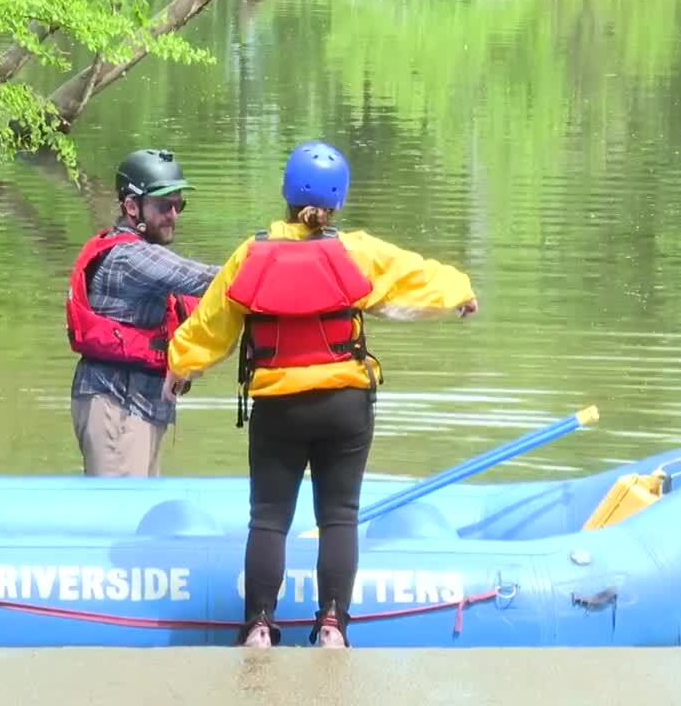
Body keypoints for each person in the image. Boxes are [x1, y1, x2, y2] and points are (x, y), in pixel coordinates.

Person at [162, 140, 479, 648]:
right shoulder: (356, 251)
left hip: (278, 408)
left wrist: (180, 364)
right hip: (345, 407)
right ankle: (333, 626)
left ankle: (259, 627)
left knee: (269, 518)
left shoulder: (253, 253)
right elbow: (414, 274)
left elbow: (212, 323)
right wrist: (460, 291)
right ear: (339, 200)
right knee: (339, 516)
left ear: (286, 193)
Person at [66, 148, 220, 477]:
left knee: (139, 513)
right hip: (114, 405)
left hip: (144, 403)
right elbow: (208, 280)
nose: (174, 215)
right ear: (132, 206)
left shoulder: (143, 253)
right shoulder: (129, 258)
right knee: (119, 516)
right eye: (164, 205)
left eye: (179, 205)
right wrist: (271, 261)